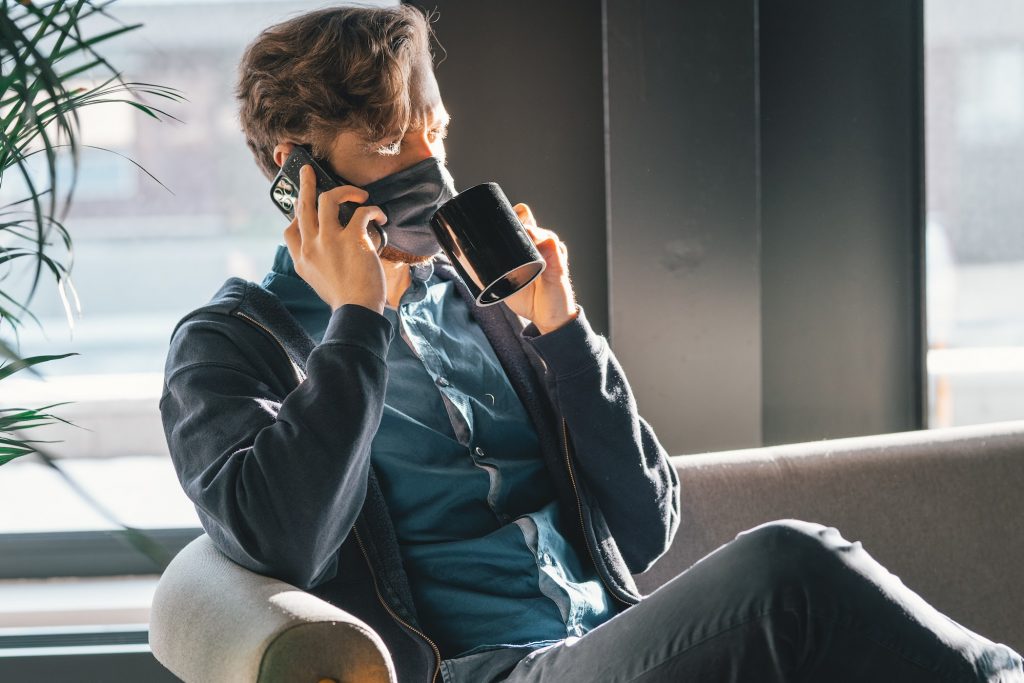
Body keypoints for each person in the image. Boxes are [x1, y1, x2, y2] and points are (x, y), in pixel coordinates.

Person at [159, 5, 1024, 683]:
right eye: (391, 141)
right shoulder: (230, 345)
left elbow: (646, 527)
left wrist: (564, 331)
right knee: (793, 564)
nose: (432, 159)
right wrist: (357, 321)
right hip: (481, 670)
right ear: (299, 173)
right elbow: (280, 542)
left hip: (607, 641)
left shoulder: (482, 300)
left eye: (438, 131)